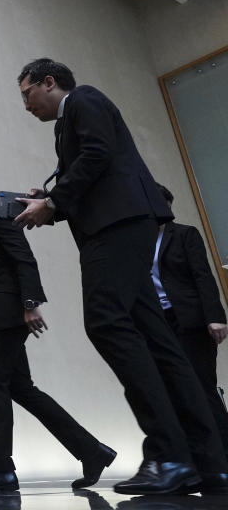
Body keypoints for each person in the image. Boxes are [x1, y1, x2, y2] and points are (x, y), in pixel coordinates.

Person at [13, 58, 228, 495]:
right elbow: (93, 173)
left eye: (27, 94)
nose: (26, 105)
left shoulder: (84, 99)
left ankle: (168, 454)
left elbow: (97, 155)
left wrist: (53, 204)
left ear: (48, 82)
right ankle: (208, 460)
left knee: (106, 321)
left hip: (115, 228)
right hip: (125, 223)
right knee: (160, 342)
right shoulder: (67, 121)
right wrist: (49, 201)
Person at [0, 167, 115, 492]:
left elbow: (24, 260)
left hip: (8, 319)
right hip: (0, 319)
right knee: (21, 389)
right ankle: (92, 451)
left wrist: (30, 303)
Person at [155, 183, 228, 456]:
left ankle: (223, 455)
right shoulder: (137, 242)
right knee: (173, 390)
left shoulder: (185, 235)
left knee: (201, 387)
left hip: (191, 320)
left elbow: (203, 276)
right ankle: (193, 458)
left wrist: (215, 317)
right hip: (160, 323)